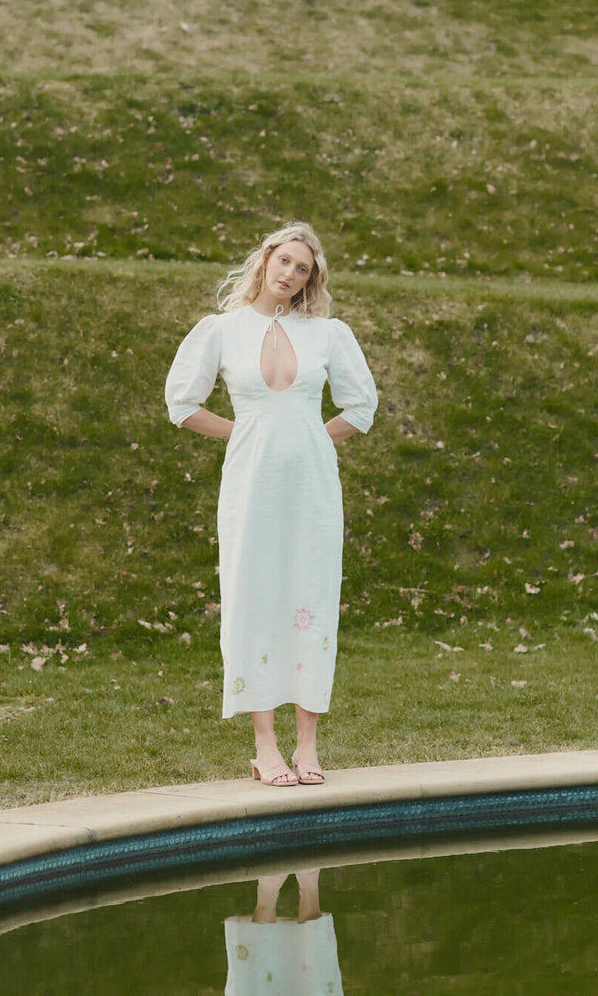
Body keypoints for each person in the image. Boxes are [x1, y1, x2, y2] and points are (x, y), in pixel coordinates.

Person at [165, 221, 378, 787]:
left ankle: (308, 745)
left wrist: (310, 438)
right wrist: (245, 432)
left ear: (311, 279)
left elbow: (361, 408)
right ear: (265, 260)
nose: (290, 273)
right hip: (251, 486)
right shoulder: (221, 330)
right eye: (284, 260)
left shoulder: (328, 334)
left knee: (312, 596)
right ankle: (265, 747)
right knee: (253, 598)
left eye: (302, 268)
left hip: (313, 488)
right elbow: (182, 404)